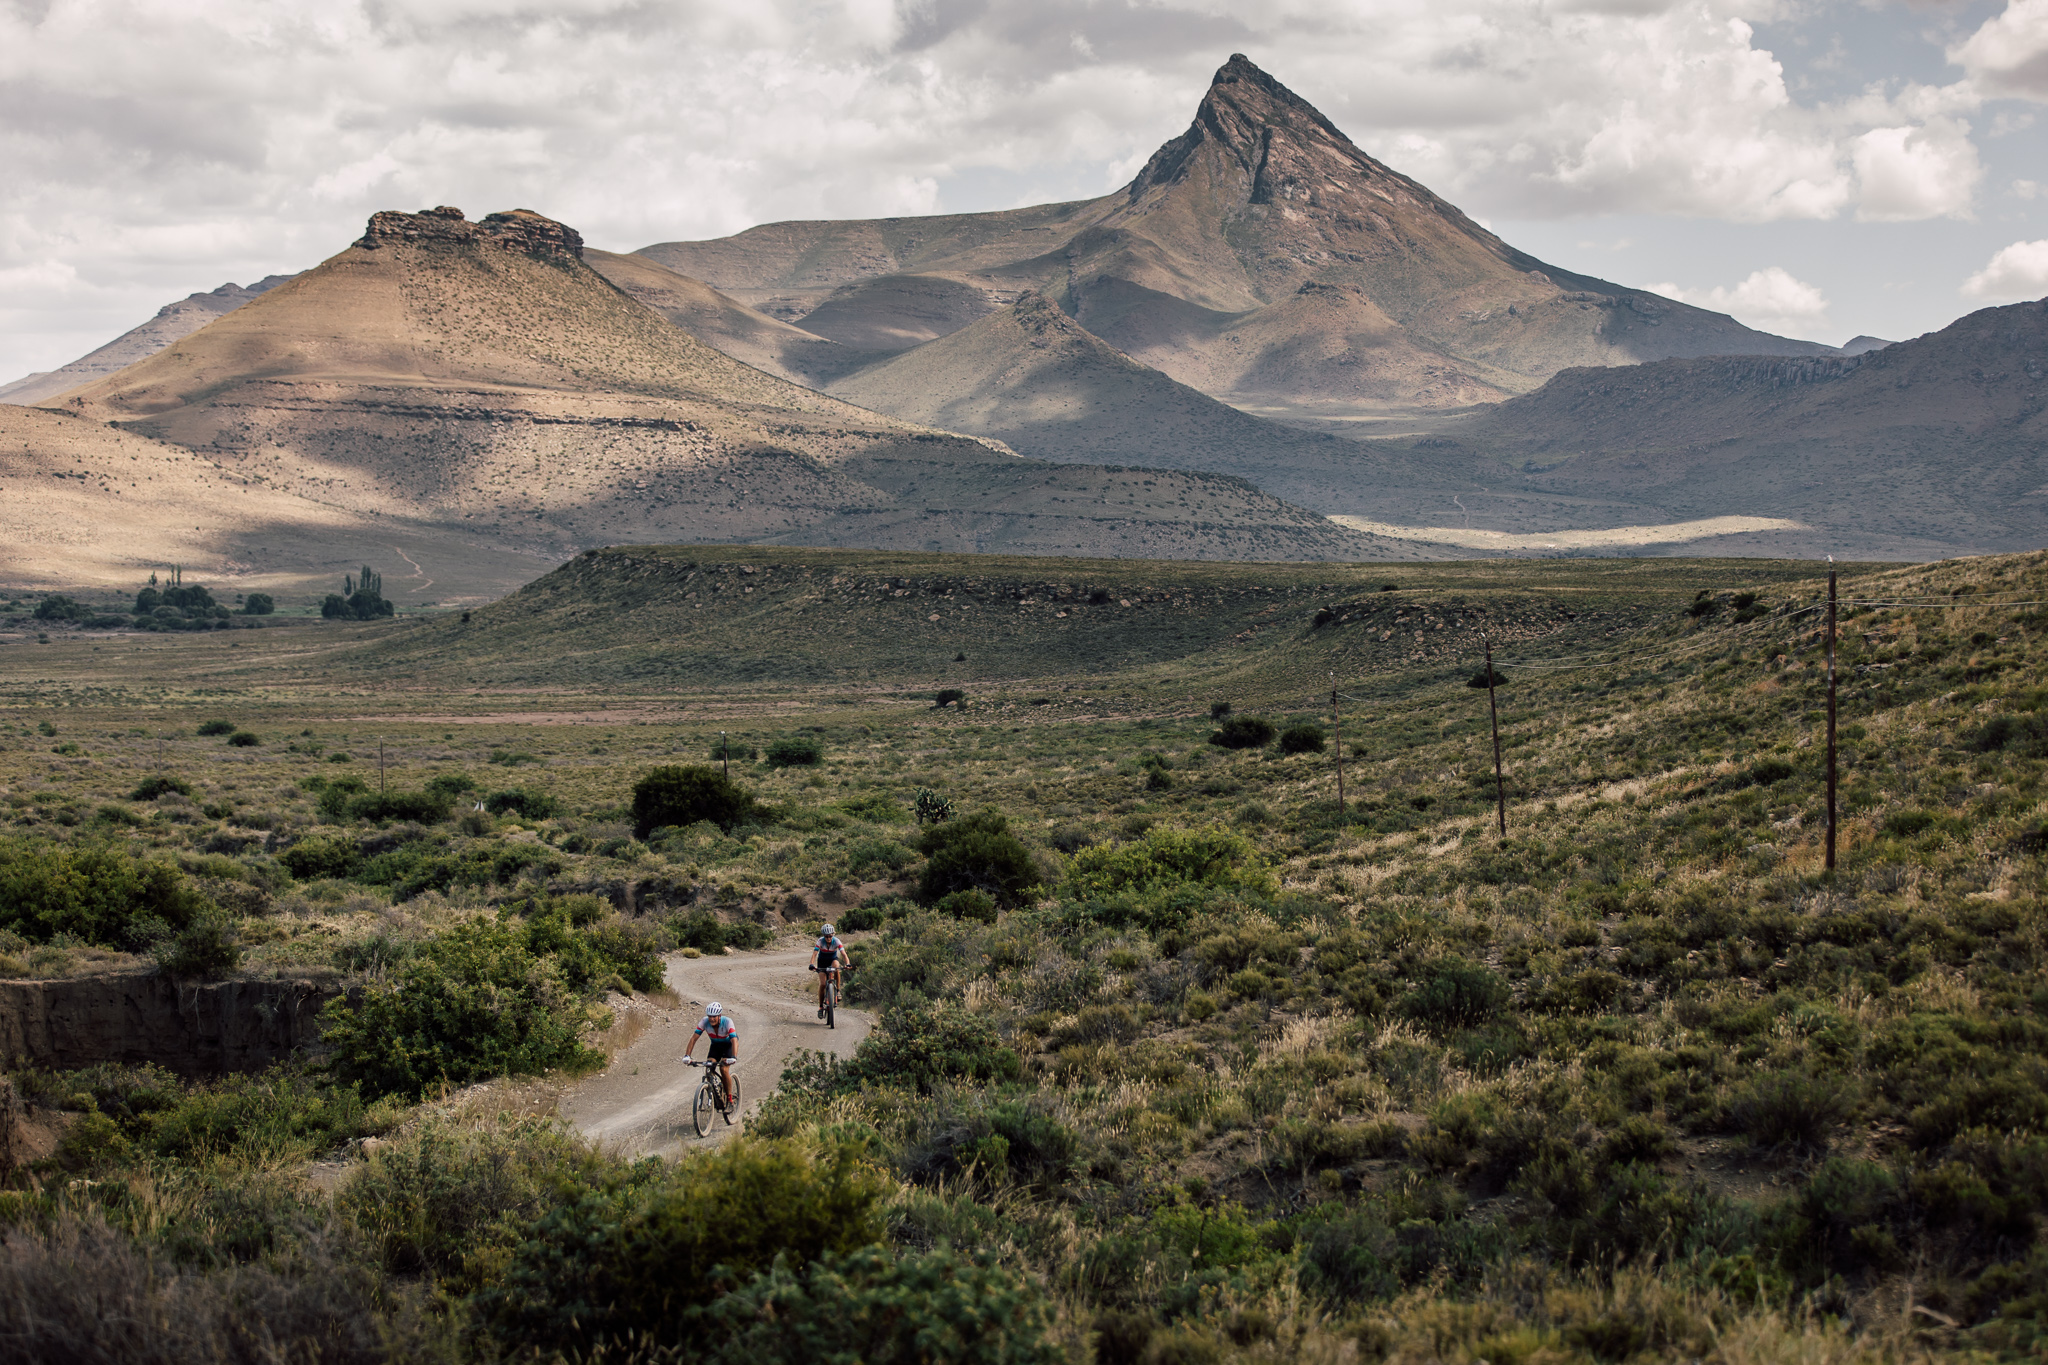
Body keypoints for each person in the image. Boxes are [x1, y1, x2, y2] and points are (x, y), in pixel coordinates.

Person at [683, 1001, 738, 1106]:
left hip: (728, 1046)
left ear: (719, 1016)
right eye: (710, 1017)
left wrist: (733, 1057)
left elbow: (734, 1040)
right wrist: (687, 1056)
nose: (711, 1019)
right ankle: (713, 1092)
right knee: (709, 1067)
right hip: (715, 1046)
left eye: (714, 1017)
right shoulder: (704, 1022)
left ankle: (730, 1099)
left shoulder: (727, 1022)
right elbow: (694, 1038)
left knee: (723, 1069)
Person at [810, 923, 851, 1019]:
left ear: (833, 934)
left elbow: (844, 954)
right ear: (823, 936)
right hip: (822, 962)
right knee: (823, 984)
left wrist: (847, 963)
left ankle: (838, 990)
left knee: (836, 967)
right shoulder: (820, 941)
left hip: (832, 960)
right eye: (826, 936)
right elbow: (814, 954)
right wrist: (811, 964)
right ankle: (820, 1007)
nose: (828, 938)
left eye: (830, 936)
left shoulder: (836, 941)